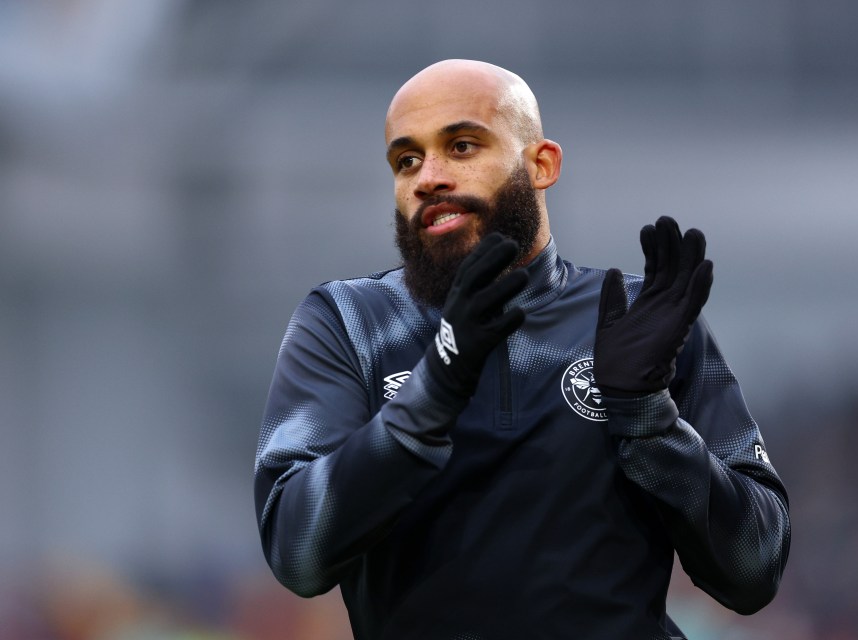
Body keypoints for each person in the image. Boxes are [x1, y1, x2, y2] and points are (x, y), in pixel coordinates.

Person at [254, 59, 790, 640]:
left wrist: (648, 420)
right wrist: (433, 391)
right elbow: (298, 556)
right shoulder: (350, 322)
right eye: (406, 160)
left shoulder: (639, 321)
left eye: (461, 146)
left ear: (542, 164)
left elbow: (753, 569)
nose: (428, 176)